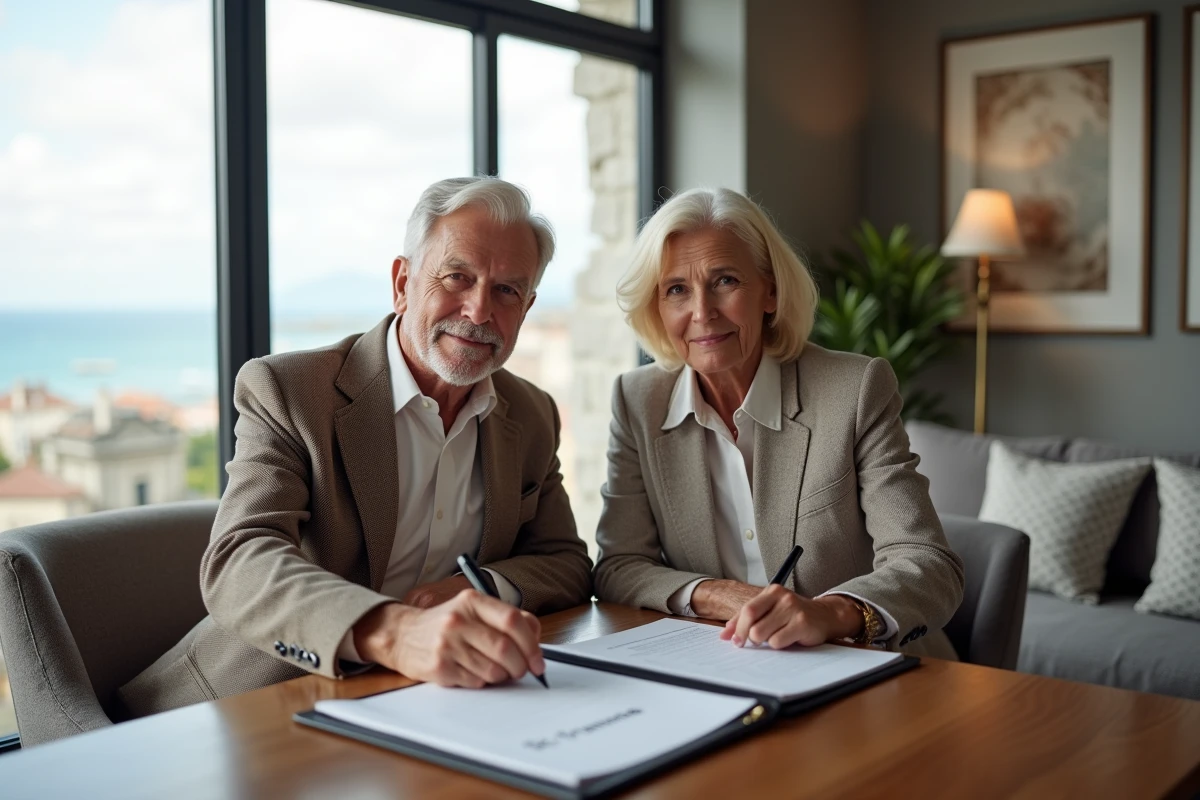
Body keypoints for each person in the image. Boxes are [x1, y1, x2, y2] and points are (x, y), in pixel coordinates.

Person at [118, 177, 592, 718]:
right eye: (457, 277)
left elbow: (565, 563)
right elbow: (239, 560)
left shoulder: (531, 413)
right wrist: (394, 631)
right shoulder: (291, 390)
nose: (480, 311)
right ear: (403, 282)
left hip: (429, 705)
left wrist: (475, 588)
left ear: (527, 309)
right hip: (251, 705)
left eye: (507, 290)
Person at [593, 187, 964, 658]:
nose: (702, 312)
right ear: (657, 307)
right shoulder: (637, 400)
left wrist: (830, 613)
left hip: (867, 665)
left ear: (769, 290)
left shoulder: (853, 389)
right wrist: (717, 593)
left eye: (725, 281)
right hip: (725, 664)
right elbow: (619, 565)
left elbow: (929, 563)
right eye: (677, 290)